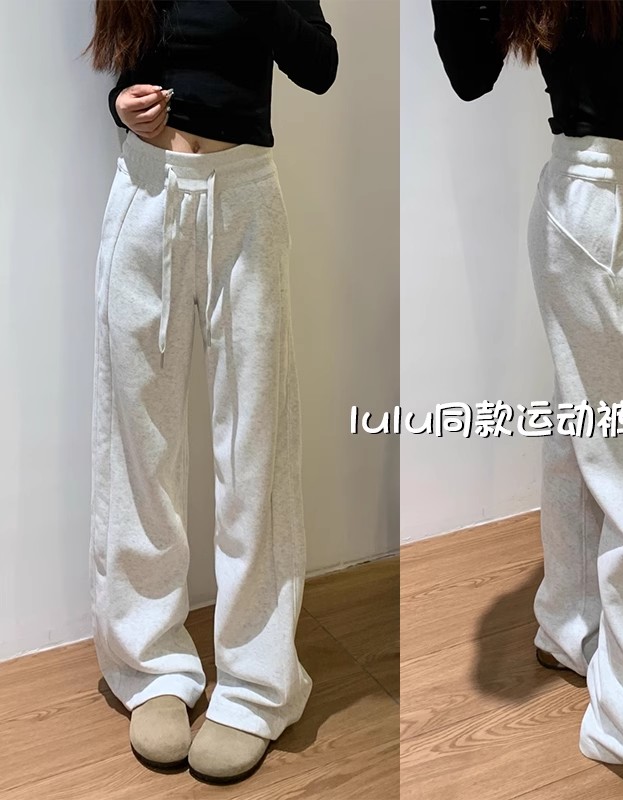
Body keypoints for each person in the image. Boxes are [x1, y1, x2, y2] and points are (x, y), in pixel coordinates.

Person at [431, 0, 623, 769]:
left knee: (586, 430)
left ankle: (572, 626)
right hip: (599, 204)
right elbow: (471, 73)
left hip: (606, 195)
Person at [84, 0, 337, 785]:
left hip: (244, 200)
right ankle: (148, 665)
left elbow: (319, 65)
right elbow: (130, 64)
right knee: (138, 443)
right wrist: (125, 104)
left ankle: (257, 684)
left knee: (254, 445)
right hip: (145, 190)